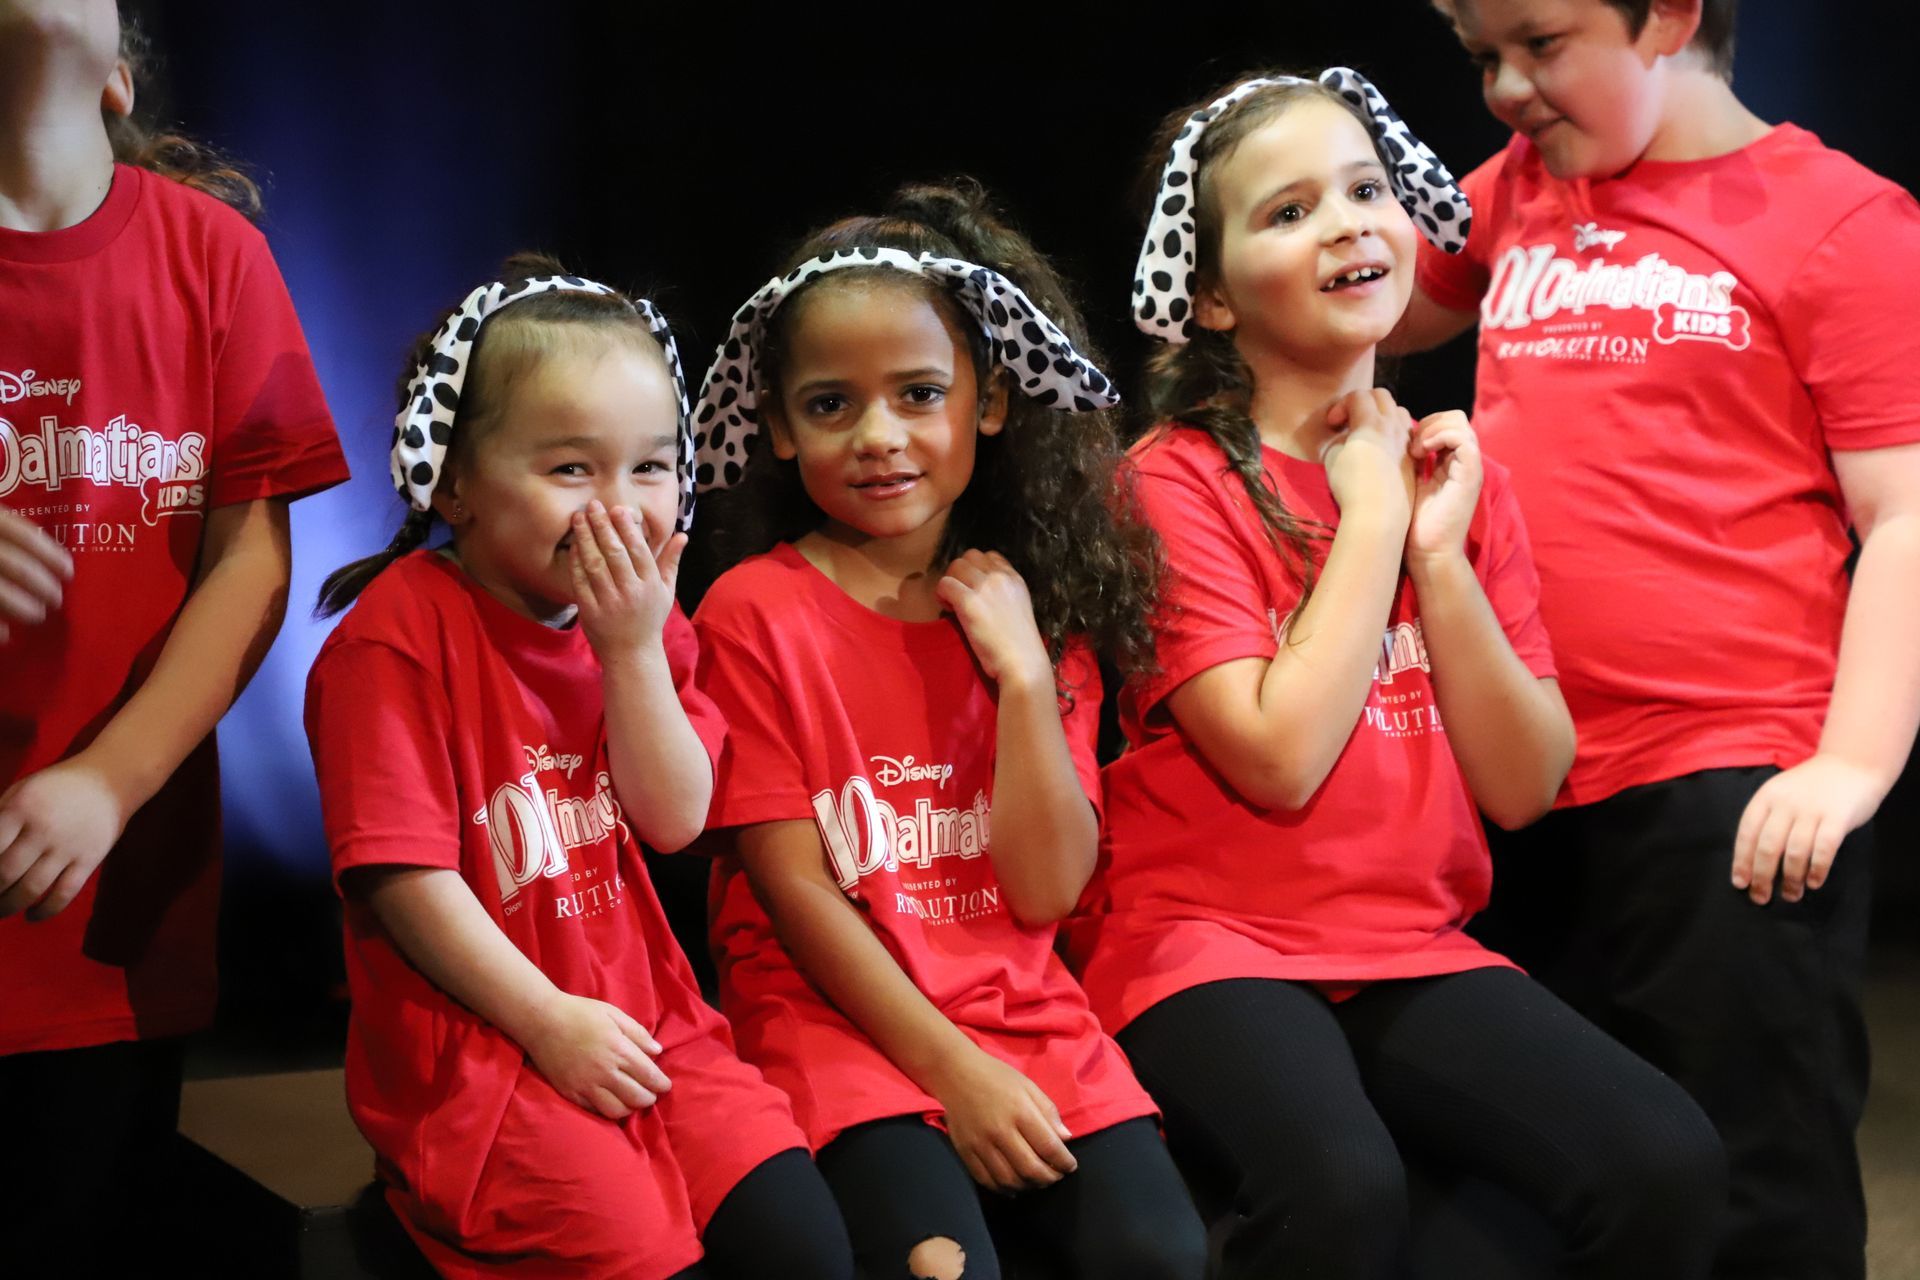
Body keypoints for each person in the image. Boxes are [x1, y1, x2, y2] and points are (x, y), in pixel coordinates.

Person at [1072, 67, 1727, 1279]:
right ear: (1210, 298)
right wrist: (1372, 517)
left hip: (1406, 943)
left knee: (1664, 1159)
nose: (1348, 223)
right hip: (1210, 943)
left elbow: (1526, 779)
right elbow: (1277, 755)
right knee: (1338, 1190)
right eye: (1288, 210)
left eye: (1365, 189)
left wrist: (1438, 549)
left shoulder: (1453, 482)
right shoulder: (1170, 483)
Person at [1399, 3, 1920, 1274]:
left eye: (1540, 44)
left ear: (1670, 17)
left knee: (1756, 1178)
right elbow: (1373, 293)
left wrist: (1849, 765)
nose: (1507, 89)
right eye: (1482, 57)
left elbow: (1905, 511)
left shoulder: (1840, 219)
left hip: (1726, 784)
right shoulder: (1521, 187)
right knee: (1561, 1186)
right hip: (1519, 772)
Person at [688, 181, 1206, 1280]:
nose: (881, 437)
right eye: (831, 404)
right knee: (938, 1263)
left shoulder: (1032, 607)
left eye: (919, 393)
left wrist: (1025, 677)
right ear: (779, 424)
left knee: (1159, 1252)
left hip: (1022, 1015)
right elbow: (794, 894)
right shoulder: (751, 612)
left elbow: (1045, 890)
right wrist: (953, 1073)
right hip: (843, 1026)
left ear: (991, 402)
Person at [305, 255, 853, 1280]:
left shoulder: (639, 626)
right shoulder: (395, 639)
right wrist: (547, 1021)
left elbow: (675, 817)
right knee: (639, 1255)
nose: (619, 509)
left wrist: (635, 654)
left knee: (804, 1246)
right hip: (490, 1046)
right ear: (455, 481)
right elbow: (404, 878)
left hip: (650, 1022)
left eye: (649, 467)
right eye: (571, 470)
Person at [0, 3, 348, 1272]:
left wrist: (109, 778)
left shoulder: (213, 257)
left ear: (119, 78)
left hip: (105, 917)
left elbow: (248, 560)